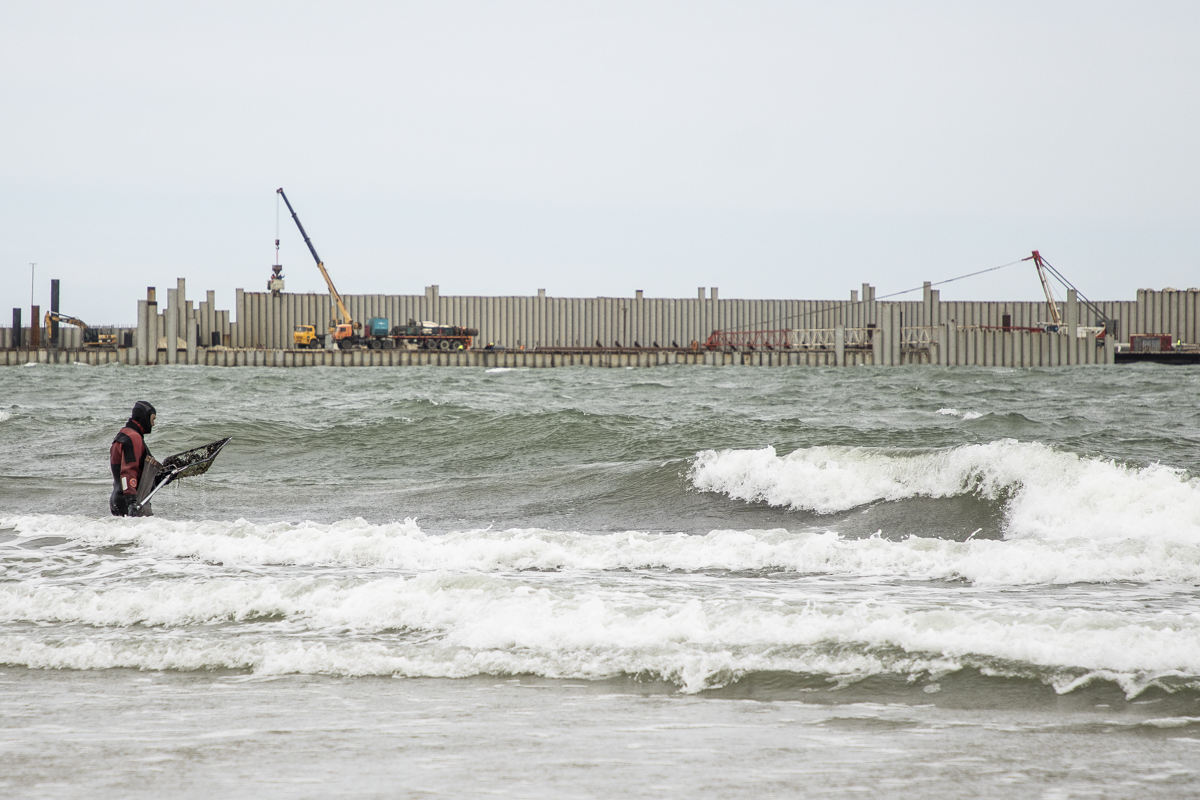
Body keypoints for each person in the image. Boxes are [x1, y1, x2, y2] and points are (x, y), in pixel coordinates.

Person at [110, 400, 156, 517]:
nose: (153, 424)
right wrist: (131, 502)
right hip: (130, 502)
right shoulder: (133, 437)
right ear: (145, 417)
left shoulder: (123, 434)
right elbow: (128, 471)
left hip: (118, 499)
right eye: (153, 419)